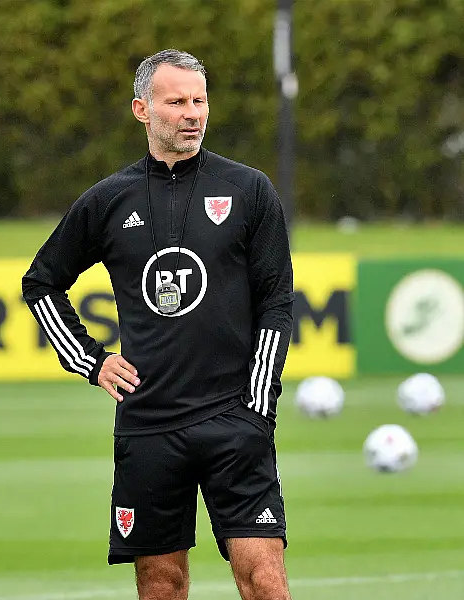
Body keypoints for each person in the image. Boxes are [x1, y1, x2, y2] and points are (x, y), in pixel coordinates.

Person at [22, 49, 294, 600]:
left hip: (232, 419)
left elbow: (276, 300)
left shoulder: (249, 190)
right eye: (177, 102)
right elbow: (41, 282)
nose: (192, 113)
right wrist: (91, 361)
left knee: (263, 579)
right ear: (142, 110)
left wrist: (258, 403)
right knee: (161, 584)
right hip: (148, 425)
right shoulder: (108, 199)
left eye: (200, 101)